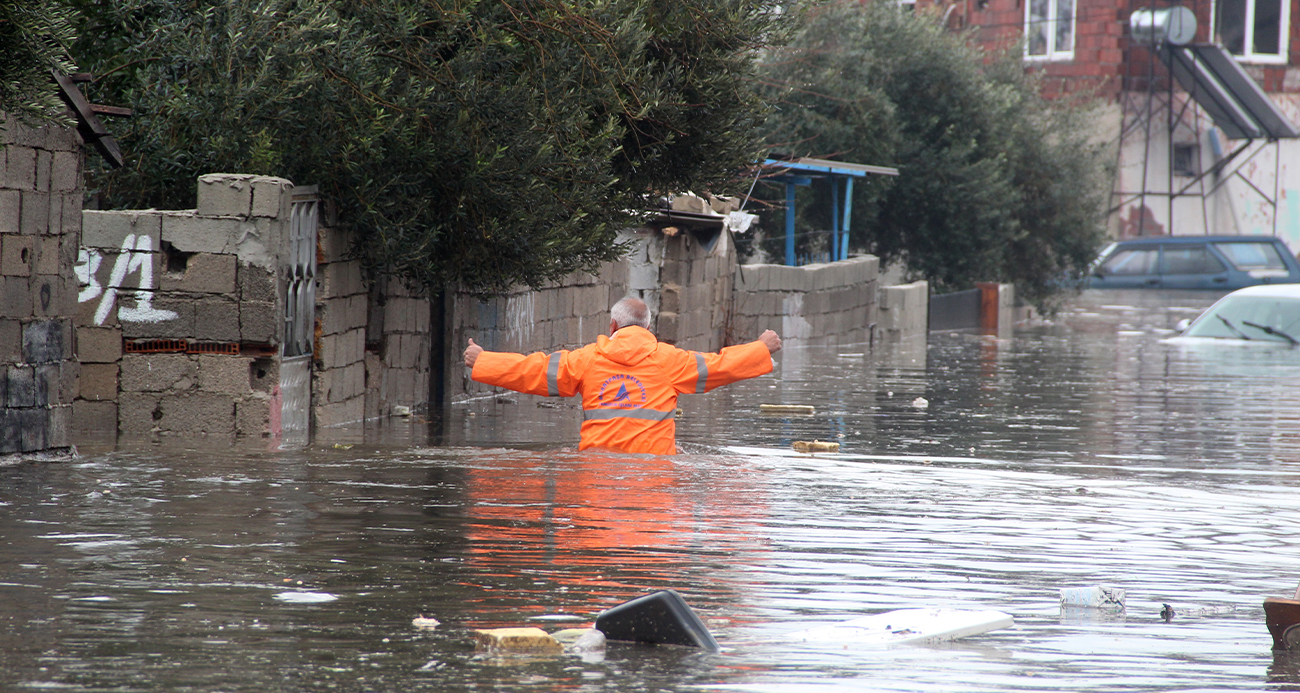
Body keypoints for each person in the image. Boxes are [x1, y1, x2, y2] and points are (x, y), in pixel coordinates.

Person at [463, 297, 781, 455]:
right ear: (648, 328)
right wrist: (761, 349)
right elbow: (721, 366)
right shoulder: (671, 361)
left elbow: (532, 370)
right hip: (656, 474)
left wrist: (484, 361)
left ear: (612, 326)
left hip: (596, 469)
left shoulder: (586, 360)